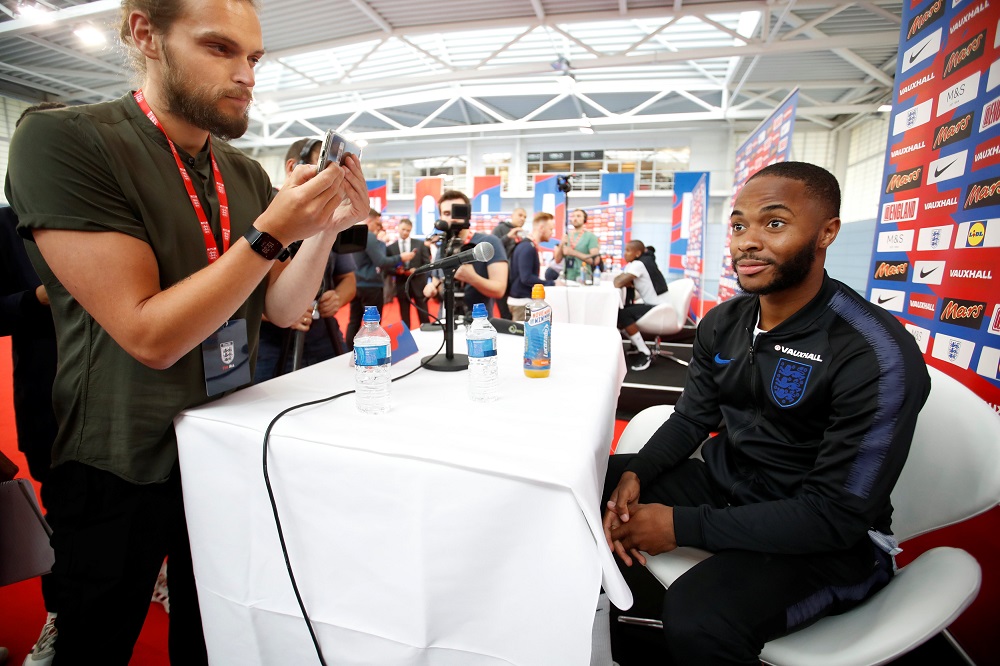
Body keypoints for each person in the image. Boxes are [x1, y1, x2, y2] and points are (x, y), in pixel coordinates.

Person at [4, 0, 370, 662]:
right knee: (97, 639)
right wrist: (274, 231)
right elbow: (149, 334)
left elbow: (284, 308)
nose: (246, 75)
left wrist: (324, 229)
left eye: (253, 57)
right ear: (146, 34)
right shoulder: (67, 140)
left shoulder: (244, 173)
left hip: (223, 446)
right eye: (219, 50)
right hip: (117, 455)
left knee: (215, 635)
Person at [602, 162, 930, 665]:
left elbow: (836, 515)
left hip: (833, 539)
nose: (747, 242)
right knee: (583, 487)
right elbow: (692, 418)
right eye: (738, 225)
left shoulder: (875, 354)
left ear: (827, 233)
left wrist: (682, 527)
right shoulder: (723, 322)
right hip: (730, 488)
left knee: (699, 615)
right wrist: (639, 475)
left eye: (774, 223)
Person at [255, 138, 358, 382]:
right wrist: (275, 311)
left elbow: (349, 280)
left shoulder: (331, 218)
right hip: (269, 345)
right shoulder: (260, 215)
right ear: (293, 167)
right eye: (323, 171)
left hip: (325, 336)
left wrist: (336, 298)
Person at [422, 190, 507, 315]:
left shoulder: (489, 243)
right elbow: (437, 282)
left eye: (458, 211)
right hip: (445, 321)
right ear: (440, 218)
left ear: (468, 214)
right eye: (446, 213)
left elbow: (499, 290)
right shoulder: (443, 246)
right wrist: (432, 290)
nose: (452, 218)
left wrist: (472, 278)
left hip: (478, 323)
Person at [346, 208, 413, 348]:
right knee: (373, 324)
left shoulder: (354, 234)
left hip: (355, 284)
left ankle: (348, 351)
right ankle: (372, 351)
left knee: (354, 321)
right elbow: (381, 261)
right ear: (370, 220)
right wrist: (401, 257)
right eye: (378, 224)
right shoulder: (368, 236)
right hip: (371, 286)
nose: (379, 227)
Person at [614, 239, 672, 372]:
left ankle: (645, 352)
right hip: (658, 305)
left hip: (658, 307)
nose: (625, 254)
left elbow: (617, 283)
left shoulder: (638, 264)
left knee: (622, 314)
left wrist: (623, 278)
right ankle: (636, 345)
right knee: (621, 313)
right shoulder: (645, 261)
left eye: (628, 250)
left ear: (637, 253)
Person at [507, 212, 557, 321]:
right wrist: (552, 283)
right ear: (541, 228)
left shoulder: (528, 245)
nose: (552, 233)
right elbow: (526, 278)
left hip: (521, 301)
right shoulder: (527, 247)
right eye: (551, 229)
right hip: (521, 303)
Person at [386, 218, 431, 328]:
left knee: (423, 313)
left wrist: (416, 270)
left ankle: (428, 333)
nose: (405, 232)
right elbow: (387, 267)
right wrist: (398, 271)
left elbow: (427, 264)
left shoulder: (420, 245)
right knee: (404, 314)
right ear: (398, 228)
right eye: (403, 229)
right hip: (401, 284)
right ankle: (407, 337)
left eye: (408, 230)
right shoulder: (391, 248)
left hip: (418, 283)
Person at [491, 207, 527, 319]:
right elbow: (491, 249)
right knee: (505, 314)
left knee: (515, 313)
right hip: (501, 277)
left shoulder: (522, 234)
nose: (523, 219)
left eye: (525, 217)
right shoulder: (500, 229)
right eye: (520, 215)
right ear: (512, 216)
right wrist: (508, 237)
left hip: (514, 280)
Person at [554, 208, 600, 282]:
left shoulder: (590, 236)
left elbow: (595, 260)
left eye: (578, 216)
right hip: (567, 277)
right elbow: (557, 260)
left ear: (584, 219)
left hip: (584, 277)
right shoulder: (567, 236)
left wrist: (573, 253)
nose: (575, 218)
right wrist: (561, 244)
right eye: (573, 216)